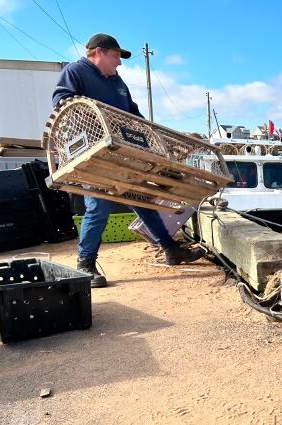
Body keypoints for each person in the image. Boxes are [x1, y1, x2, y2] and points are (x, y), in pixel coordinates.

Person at [52, 33, 205, 288]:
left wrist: (158, 138)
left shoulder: (117, 81)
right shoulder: (75, 71)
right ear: (98, 52)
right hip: (95, 156)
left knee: (141, 200)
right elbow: (62, 103)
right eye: (115, 57)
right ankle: (85, 264)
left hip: (123, 154)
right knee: (99, 206)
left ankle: (171, 249)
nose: (119, 63)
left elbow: (134, 114)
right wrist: (97, 116)